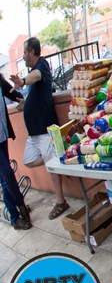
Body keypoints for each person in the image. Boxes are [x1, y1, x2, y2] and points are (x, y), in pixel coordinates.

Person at [10, 37, 70, 220]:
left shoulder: (41, 66)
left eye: (25, 53)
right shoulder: (35, 71)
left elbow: (36, 76)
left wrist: (22, 82)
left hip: (45, 128)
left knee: (52, 169)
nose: (24, 56)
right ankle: (54, 158)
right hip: (34, 132)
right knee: (28, 160)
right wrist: (25, 102)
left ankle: (61, 202)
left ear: (32, 52)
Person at [0, 74, 30, 230]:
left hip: (2, 135)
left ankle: (14, 218)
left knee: (5, 180)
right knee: (7, 175)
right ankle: (20, 204)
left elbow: (13, 93)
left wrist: (27, 98)